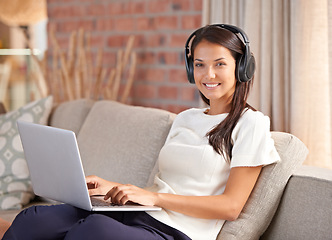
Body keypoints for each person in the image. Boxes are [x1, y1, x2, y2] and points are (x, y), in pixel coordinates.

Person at [2, 24, 280, 240]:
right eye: (199, 64)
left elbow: (231, 207)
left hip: (178, 231)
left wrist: (156, 198)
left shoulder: (251, 123)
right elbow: (163, 185)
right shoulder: (185, 119)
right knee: (34, 218)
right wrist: (112, 187)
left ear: (242, 67)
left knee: (92, 231)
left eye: (220, 64)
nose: (208, 75)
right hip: (142, 213)